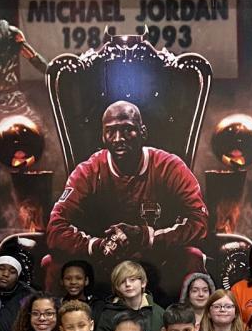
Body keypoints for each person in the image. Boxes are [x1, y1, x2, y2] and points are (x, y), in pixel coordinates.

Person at [45, 100, 209, 291]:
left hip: (157, 260)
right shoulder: (88, 171)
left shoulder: (169, 166)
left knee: (193, 256)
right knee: (52, 263)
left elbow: (199, 221)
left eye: (127, 129)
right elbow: (56, 227)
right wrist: (98, 246)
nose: (118, 138)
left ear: (143, 132)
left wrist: (145, 236)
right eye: (110, 131)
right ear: (103, 136)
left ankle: (188, 311)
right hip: (104, 260)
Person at [92, 259, 166, 331]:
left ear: (143, 283)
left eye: (132, 279)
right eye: (122, 281)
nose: (127, 284)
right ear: (117, 287)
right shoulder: (109, 314)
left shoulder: (158, 313)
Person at [59, 258, 102, 325]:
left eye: (78, 278)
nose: (73, 282)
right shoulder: (58, 305)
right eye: (68, 278)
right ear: (62, 281)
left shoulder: (97, 306)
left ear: (86, 281)